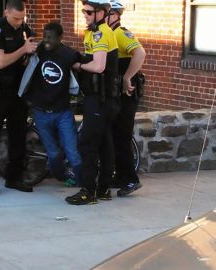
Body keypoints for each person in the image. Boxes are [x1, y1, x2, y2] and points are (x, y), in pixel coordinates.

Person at [65, 0, 120, 205]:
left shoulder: (101, 33)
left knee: (87, 143)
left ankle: (88, 191)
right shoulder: (94, 32)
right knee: (105, 144)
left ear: (102, 13)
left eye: (89, 12)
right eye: (83, 11)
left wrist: (78, 64)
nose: (85, 15)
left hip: (100, 99)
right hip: (100, 99)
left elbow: (98, 66)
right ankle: (104, 189)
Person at [0, 0, 38, 196]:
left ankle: (14, 177)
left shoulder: (24, 28)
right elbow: (0, 61)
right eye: (15, 18)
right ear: (6, 12)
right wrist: (23, 49)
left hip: (18, 90)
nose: (18, 22)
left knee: (18, 135)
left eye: (22, 18)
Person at [20, 22, 83, 187]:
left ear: (60, 38)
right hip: (40, 112)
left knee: (72, 152)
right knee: (53, 153)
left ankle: (85, 184)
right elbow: (24, 62)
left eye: (51, 37)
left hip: (62, 112)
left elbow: (85, 64)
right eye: (45, 36)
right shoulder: (39, 50)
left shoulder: (69, 54)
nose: (46, 40)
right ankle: (62, 177)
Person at [107, 0, 146, 196]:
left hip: (127, 93)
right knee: (115, 135)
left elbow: (140, 52)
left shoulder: (120, 33)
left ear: (114, 15)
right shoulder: (108, 33)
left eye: (105, 12)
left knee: (122, 136)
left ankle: (131, 179)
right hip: (116, 92)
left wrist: (127, 76)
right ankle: (121, 176)